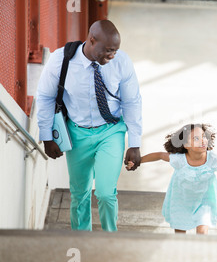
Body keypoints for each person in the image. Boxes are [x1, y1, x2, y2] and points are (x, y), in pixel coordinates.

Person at [36, 20, 142, 232]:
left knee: (105, 192)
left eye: (115, 51)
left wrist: (135, 143)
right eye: (108, 50)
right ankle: (81, 239)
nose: (112, 56)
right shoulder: (61, 60)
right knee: (80, 193)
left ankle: (110, 238)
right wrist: (47, 137)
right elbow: (45, 97)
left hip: (110, 131)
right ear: (91, 40)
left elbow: (132, 102)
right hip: (77, 133)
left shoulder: (121, 62)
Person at [126, 123, 217, 234]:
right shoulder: (179, 159)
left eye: (204, 136)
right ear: (185, 145)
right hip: (181, 201)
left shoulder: (212, 158)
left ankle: (199, 254)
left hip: (204, 201)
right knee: (180, 234)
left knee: (202, 231)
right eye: (196, 138)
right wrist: (138, 161)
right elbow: (159, 155)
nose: (203, 141)